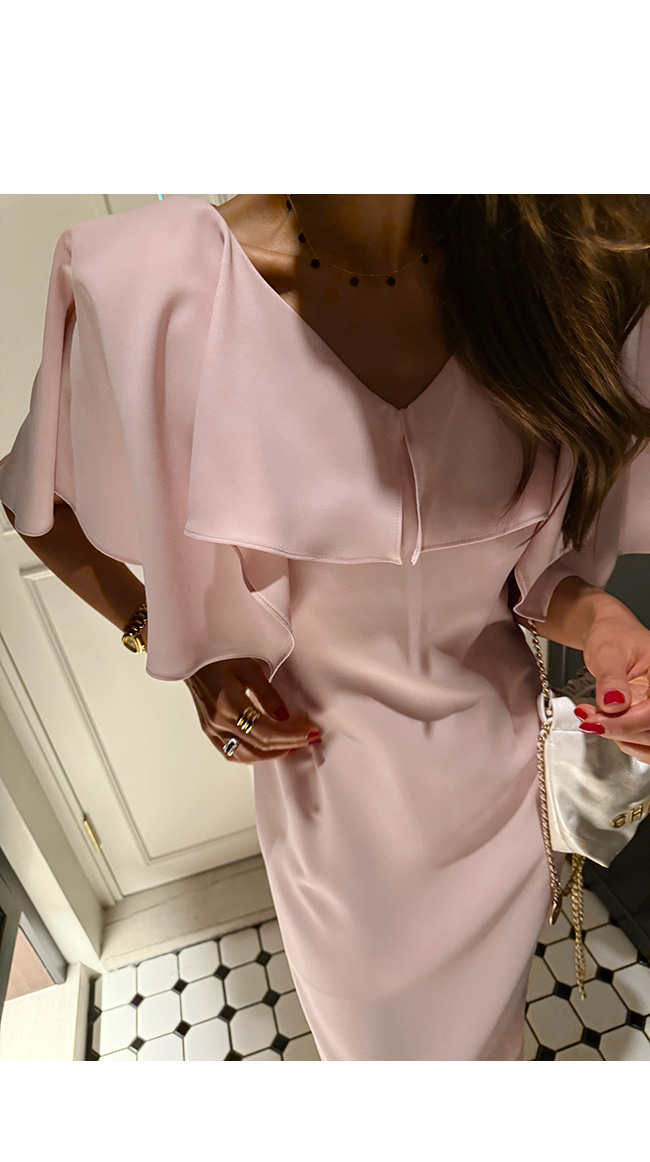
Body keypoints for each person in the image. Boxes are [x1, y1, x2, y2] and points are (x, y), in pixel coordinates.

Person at [3, 193, 650, 1061]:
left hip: (499, 786)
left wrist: (604, 621)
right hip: (335, 812)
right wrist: (179, 646)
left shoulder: (567, 261)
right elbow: (40, 507)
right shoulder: (147, 286)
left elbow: (532, 574)